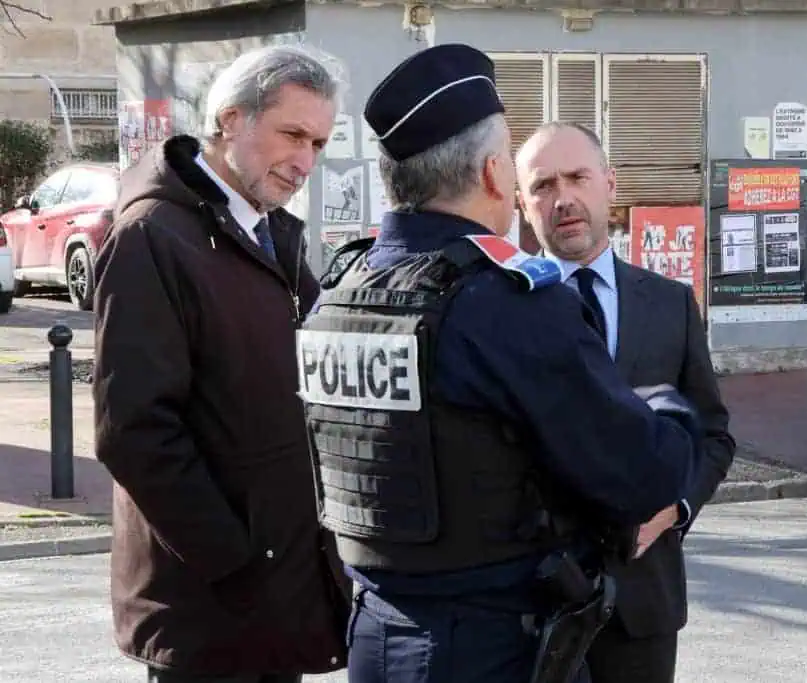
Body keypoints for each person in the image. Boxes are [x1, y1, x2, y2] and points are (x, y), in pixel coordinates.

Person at [298, 43, 702, 683]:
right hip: (489, 646)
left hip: (374, 636)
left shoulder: (340, 291)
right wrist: (664, 408)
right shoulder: (506, 303)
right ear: (493, 174)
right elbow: (644, 474)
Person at [92, 45, 349, 682]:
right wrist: (236, 563)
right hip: (212, 608)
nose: (305, 161)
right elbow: (135, 430)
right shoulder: (152, 235)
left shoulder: (272, 235)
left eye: (318, 143)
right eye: (292, 134)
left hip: (274, 598)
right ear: (231, 121)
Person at [515, 121, 736, 683]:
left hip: (645, 603)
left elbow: (711, 435)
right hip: (530, 603)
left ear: (610, 184)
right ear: (521, 202)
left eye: (578, 177)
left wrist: (673, 509)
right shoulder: (500, 308)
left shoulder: (669, 303)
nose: (563, 198)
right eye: (543, 185)